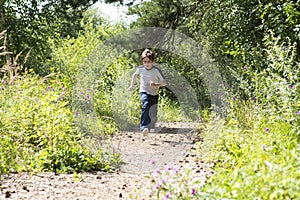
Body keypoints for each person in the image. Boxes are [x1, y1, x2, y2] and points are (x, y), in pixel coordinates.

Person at [129, 49, 167, 136]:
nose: (146, 64)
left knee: (153, 110)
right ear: (142, 61)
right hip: (144, 90)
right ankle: (143, 127)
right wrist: (132, 86)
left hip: (154, 92)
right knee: (145, 104)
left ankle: (151, 126)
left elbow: (164, 82)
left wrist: (156, 84)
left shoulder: (156, 71)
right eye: (144, 61)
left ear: (152, 61)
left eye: (148, 62)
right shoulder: (140, 69)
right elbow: (135, 75)